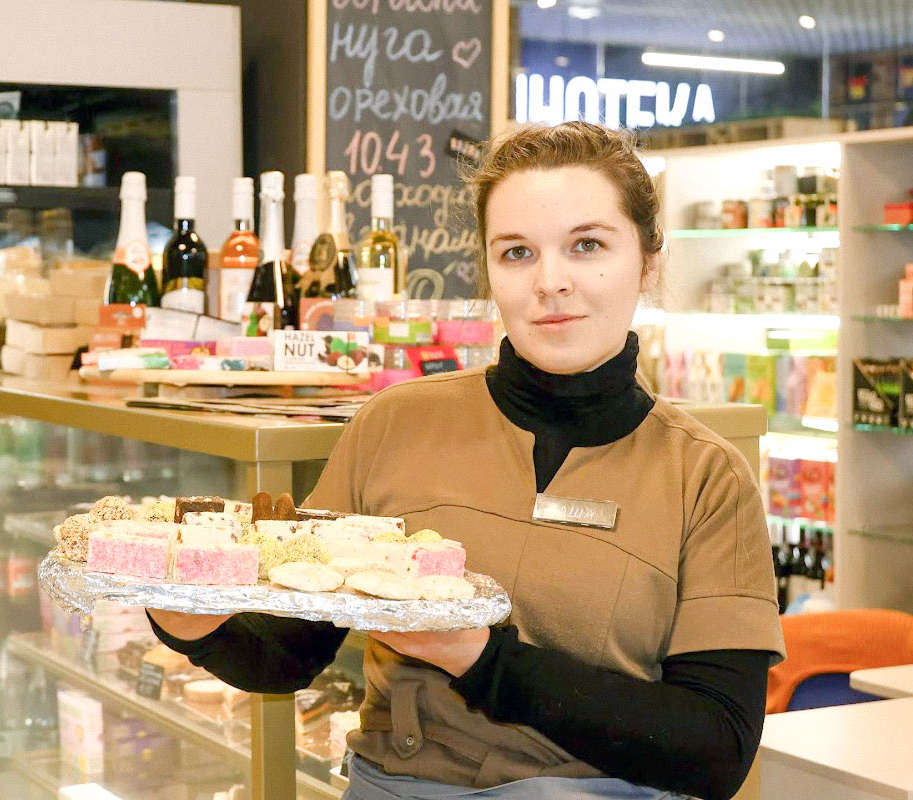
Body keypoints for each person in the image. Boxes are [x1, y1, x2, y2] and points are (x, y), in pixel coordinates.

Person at [147, 121, 785, 800]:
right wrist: (190, 621)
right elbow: (287, 654)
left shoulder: (706, 478)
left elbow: (717, 748)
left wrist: (481, 659)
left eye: (587, 245)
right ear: (488, 269)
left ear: (648, 262)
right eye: (517, 253)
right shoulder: (394, 423)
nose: (551, 282)